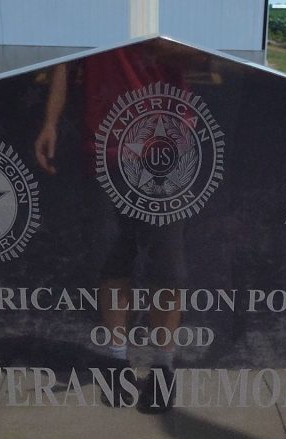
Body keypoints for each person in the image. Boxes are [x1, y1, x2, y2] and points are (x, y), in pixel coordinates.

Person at [34, 52, 190, 412]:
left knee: (167, 270)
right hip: (104, 147)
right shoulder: (88, 20)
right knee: (112, 263)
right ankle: (117, 362)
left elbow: (199, 56)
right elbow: (65, 61)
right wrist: (50, 123)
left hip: (166, 149)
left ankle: (162, 368)